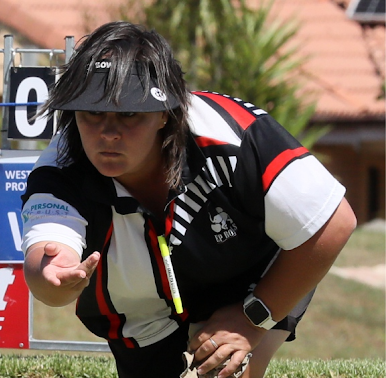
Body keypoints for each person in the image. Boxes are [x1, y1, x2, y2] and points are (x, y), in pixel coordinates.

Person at [20, 21, 357, 378]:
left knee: (226, 371)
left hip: (250, 280)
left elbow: (332, 222)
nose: (108, 132)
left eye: (129, 113)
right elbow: (49, 271)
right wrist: (52, 279)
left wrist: (252, 319)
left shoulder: (231, 134)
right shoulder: (59, 170)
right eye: (92, 112)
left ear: (165, 112)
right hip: (142, 312)